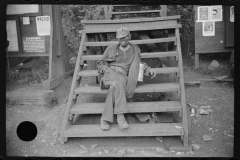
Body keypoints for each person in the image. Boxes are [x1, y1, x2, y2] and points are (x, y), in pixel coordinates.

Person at [97, 27, 157, 130]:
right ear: (117, 39)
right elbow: (100, 63)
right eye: (120, 38)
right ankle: (120, 117)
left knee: (114, 87)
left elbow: (138, 64)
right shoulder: (111, 48)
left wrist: (148, 69)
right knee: (118, 83)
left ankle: (104, 119)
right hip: (109, 73)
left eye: (124, 37)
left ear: (129, 36)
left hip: (123, 76)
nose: (122, 40)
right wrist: (105, 69)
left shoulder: (135, 50)